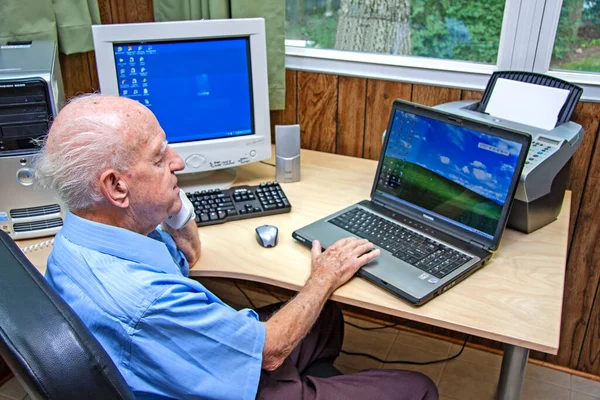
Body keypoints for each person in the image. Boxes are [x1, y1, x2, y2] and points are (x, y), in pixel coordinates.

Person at [35, 94, 438, 400]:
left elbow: (188, 256)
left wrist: (169, 199)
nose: (179, 162)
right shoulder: (144, 300)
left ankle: (305, 383)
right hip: (232, 383)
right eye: (160, 159)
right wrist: (325, 275)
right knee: (417, 386)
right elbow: (272, 350)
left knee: (325, 315)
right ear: (116, 186)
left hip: (184, 360)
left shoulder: (83, 233)